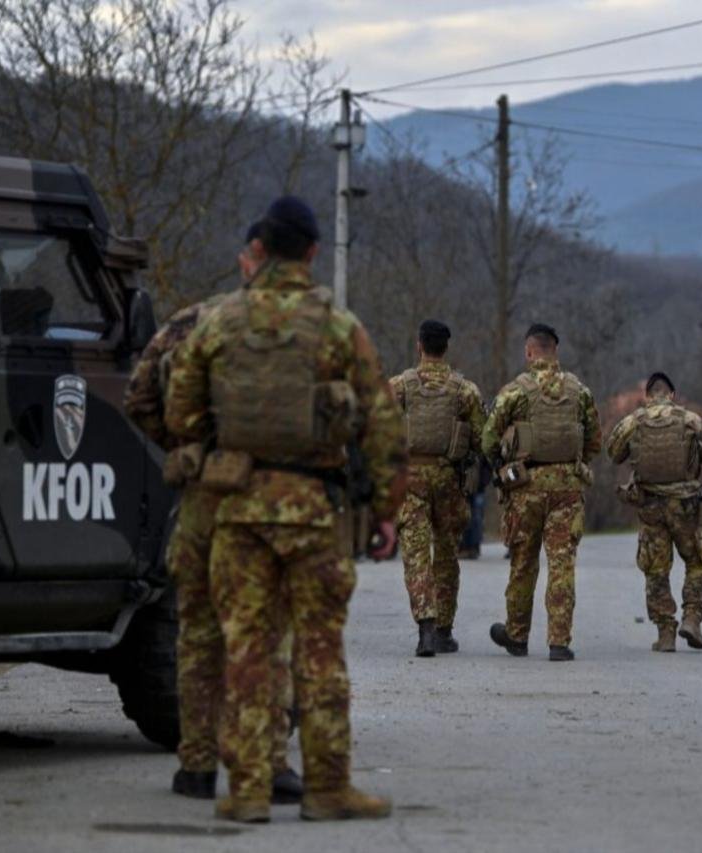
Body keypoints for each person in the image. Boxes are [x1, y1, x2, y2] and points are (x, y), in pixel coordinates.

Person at [165, 195, 406, 823]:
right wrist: (385, 509)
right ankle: (327, 788)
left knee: (245, 649)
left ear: (260, 249)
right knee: (319, 650)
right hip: (312, 513)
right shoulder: (336, 325)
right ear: (313, 252)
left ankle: (247, 791)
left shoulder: (218, 322)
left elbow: (179, 413)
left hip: (236, 513)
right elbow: (381, 421)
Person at [122, 231, 302, 803]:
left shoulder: (189, 323)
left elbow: (138, 398)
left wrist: (184, 451)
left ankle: (197, 765)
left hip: (202, 503)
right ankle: (270, 763)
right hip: (271, 503)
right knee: (269, 635)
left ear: (245, 259)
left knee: (198, 634)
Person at [482, 323, 601, 662]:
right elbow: (594, 441)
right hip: (567, 488)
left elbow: (488, 438)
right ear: (555, 350)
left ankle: (517, 635)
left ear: (529, 351)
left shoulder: (516, 391)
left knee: (523, 562)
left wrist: (502, 462)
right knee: (562, 563)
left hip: (526, 487)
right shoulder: (579, 390)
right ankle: (559, 642)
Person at [606, 372, 702, 652]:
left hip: (650, 506)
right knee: (697, 562)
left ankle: (665, 632)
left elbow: (613, 453)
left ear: (647, 396)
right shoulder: (690, 419)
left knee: (656, 569)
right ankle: (692, 618)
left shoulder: (634, 421)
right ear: (672, 395)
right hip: (685, 506)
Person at [390, 320, 485, 657]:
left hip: (410, 480)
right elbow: (483, 438)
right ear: (447, 348)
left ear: (419, 346)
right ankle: (444, 630)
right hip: (448, 480)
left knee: (416, 554)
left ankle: (426, 628)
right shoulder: (465, 391)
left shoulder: (399, 387)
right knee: (446, 554)